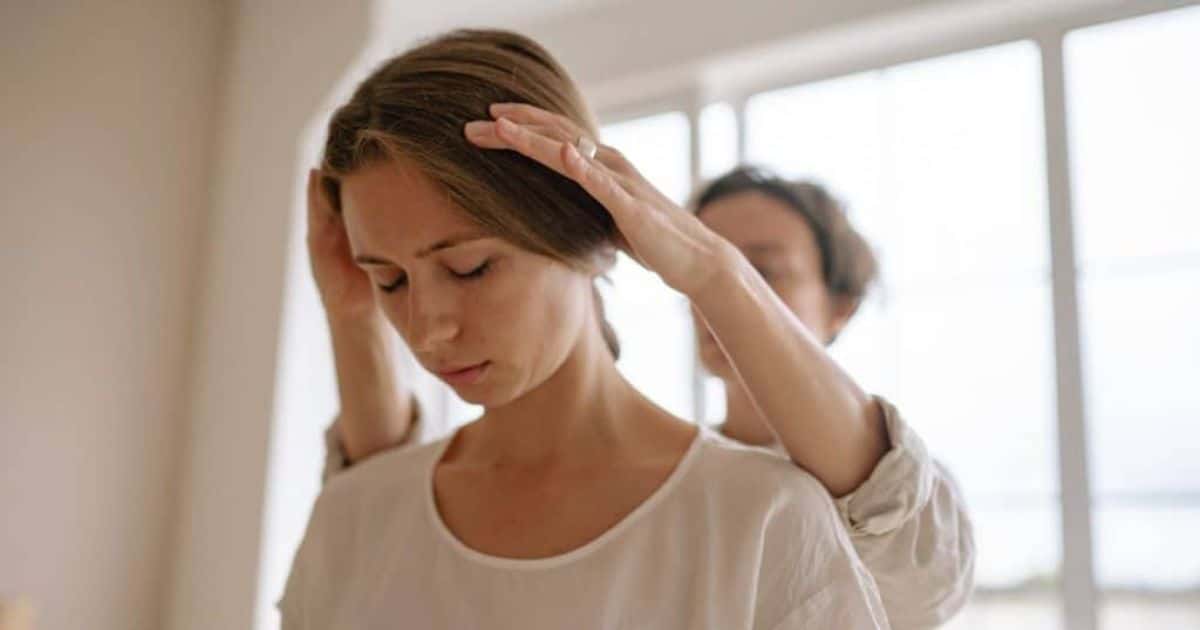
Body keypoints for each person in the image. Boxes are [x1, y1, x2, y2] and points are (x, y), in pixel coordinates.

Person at [281, 28, 897, 629]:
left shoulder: (762, 520)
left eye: (470, 268)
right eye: (389, 280)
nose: (427, 331)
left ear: (590, 234)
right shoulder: (353, 517)